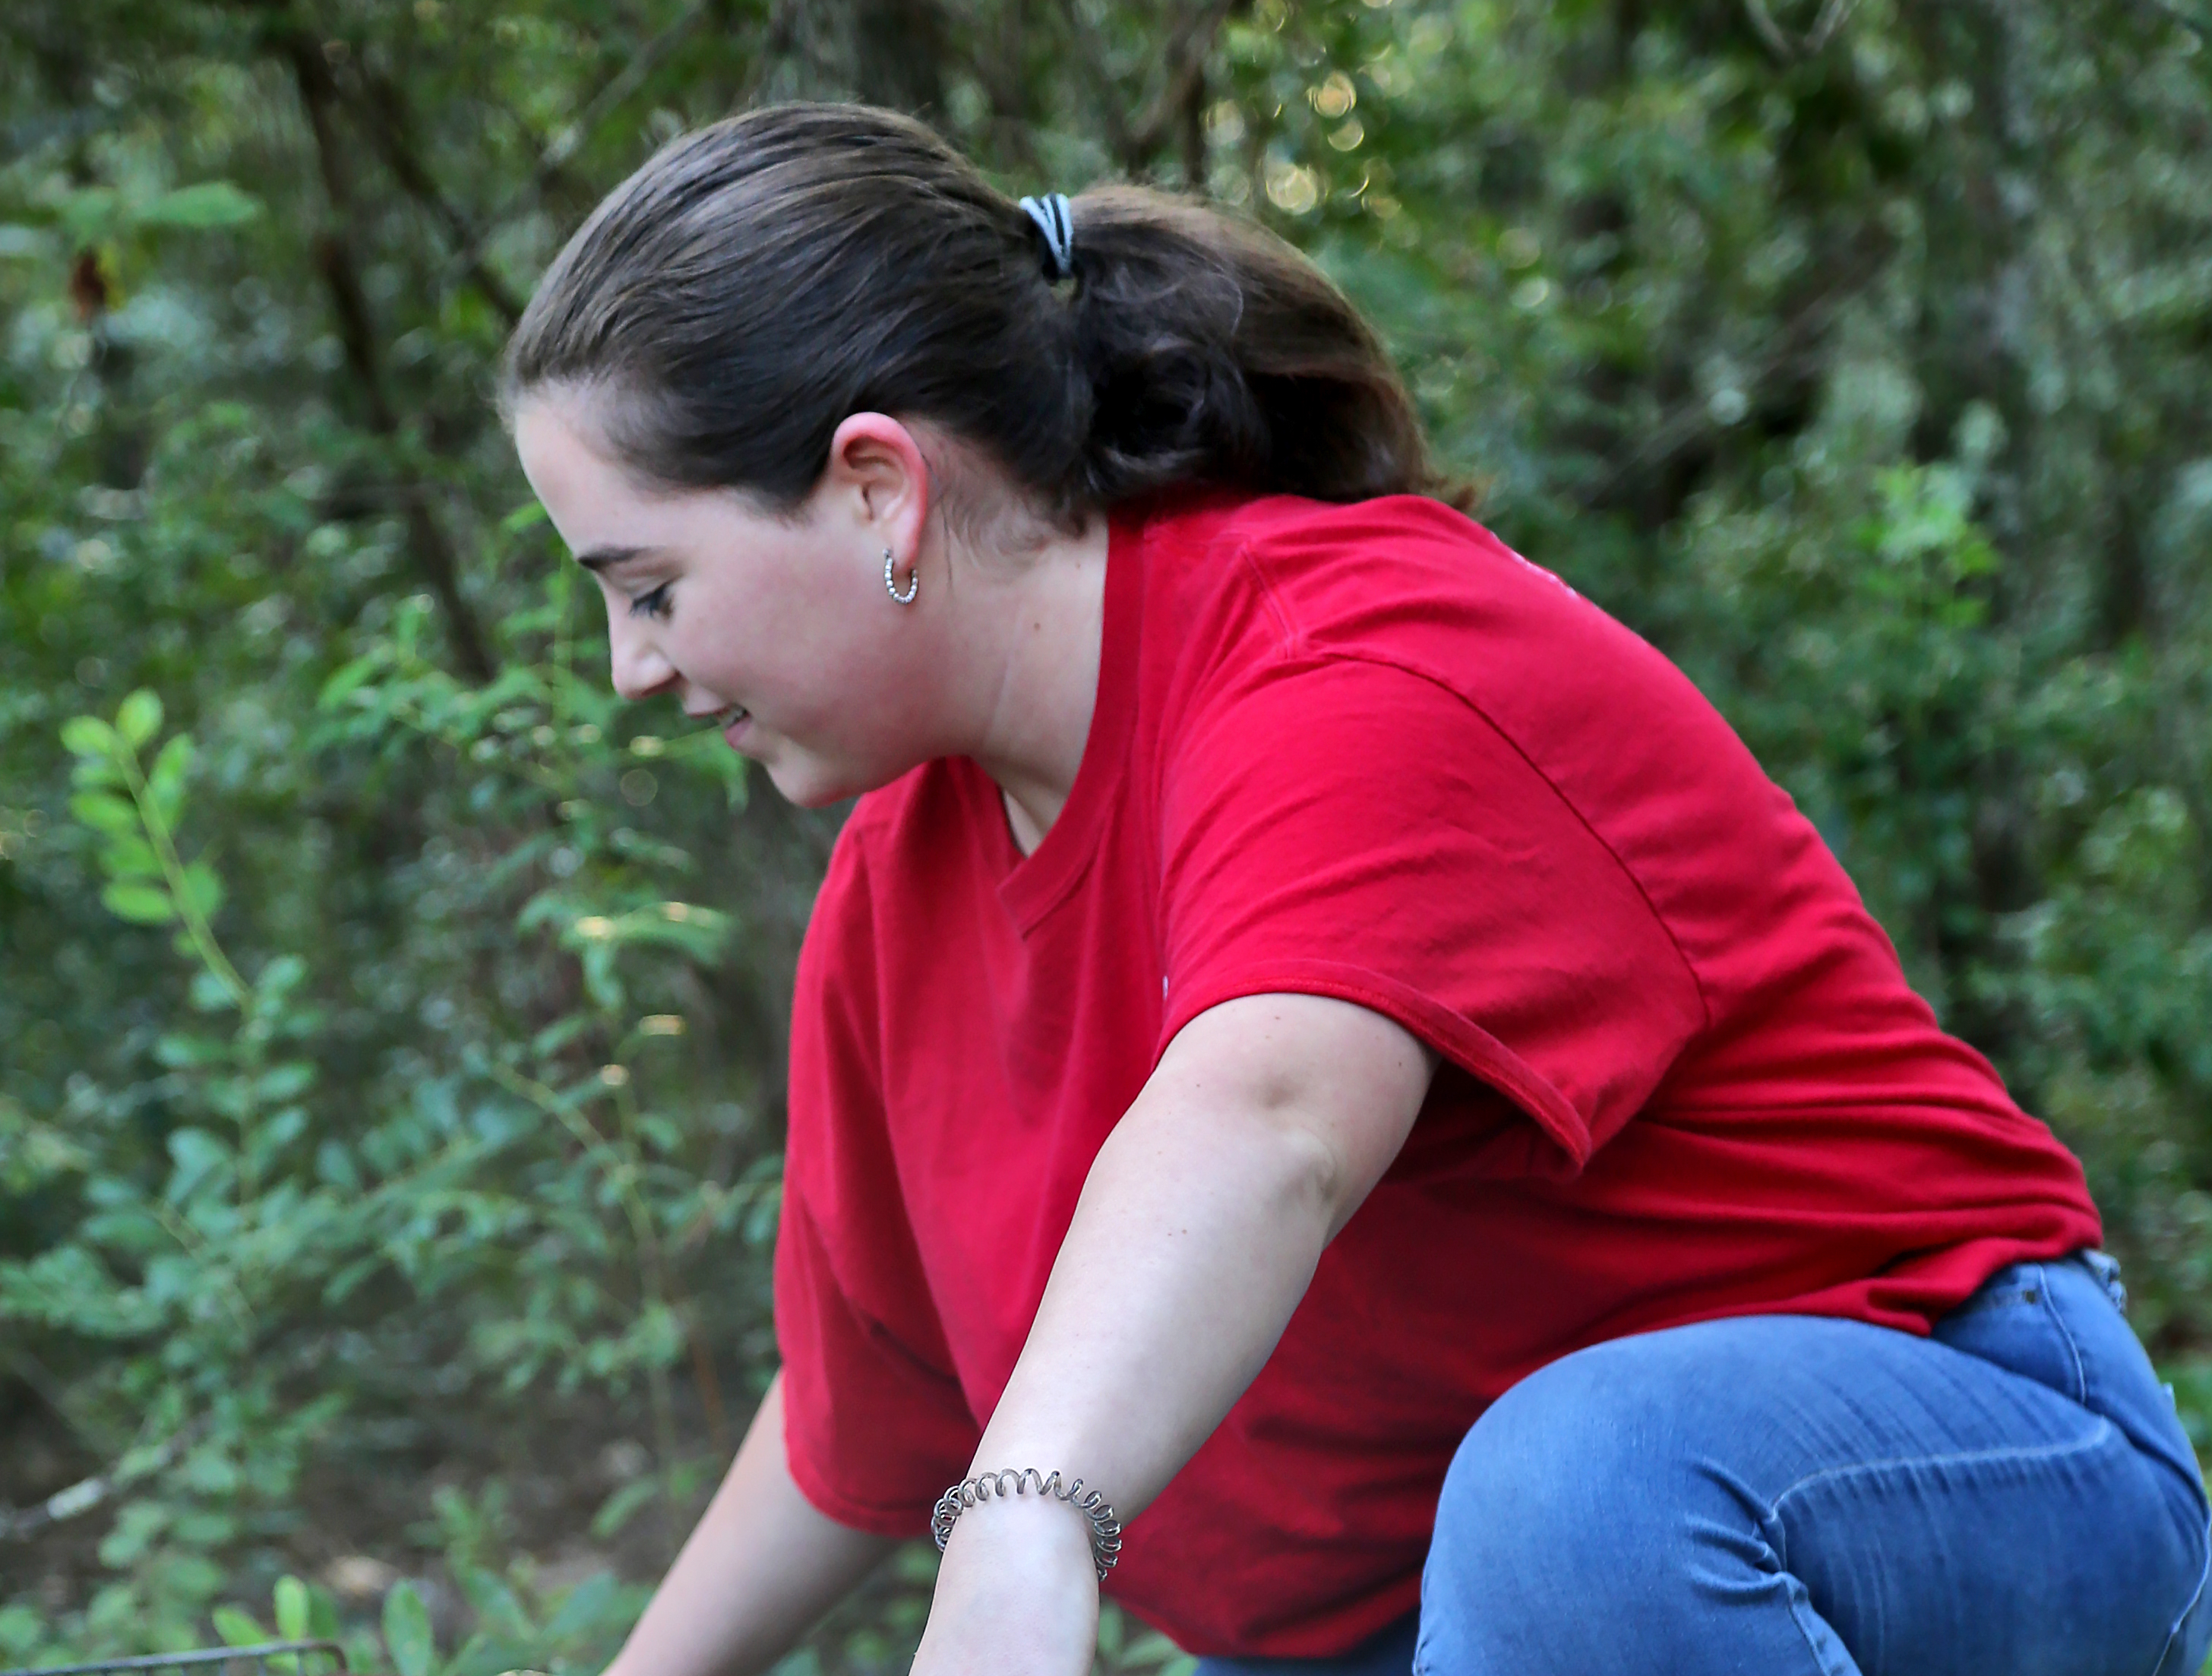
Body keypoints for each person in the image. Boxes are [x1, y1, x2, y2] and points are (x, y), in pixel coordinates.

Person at [498, 102, 2210, 1676]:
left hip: (1950, 1461)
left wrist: (1025, 1514)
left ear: (877, 486)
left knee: (1574, 1491)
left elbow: (1271, 1115)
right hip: (1440, 1627)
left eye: (648, 586)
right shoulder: (898, 883)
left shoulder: (1353, 655)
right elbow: (858, 1420)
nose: (629, 667)